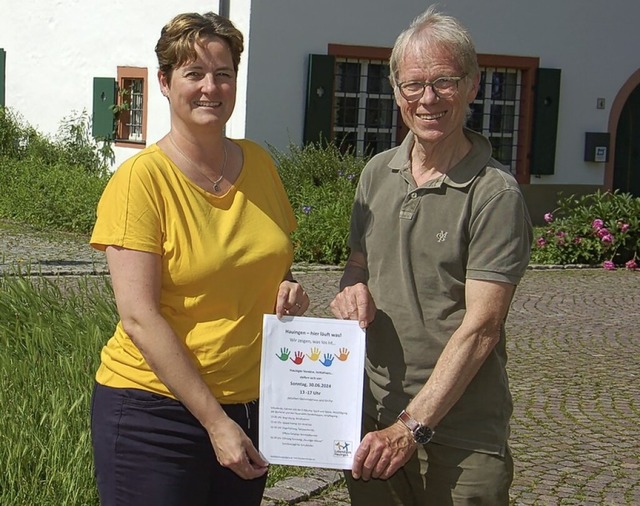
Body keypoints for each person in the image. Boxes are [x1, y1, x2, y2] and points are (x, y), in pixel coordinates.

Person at [89, 11, 309, 506]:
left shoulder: (260, 164)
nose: (211, 87)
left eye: (224, 73)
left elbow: (272, 259)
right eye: (194, 73)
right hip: (153, 412)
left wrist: (288, 287)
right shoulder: (141, 181)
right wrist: (215, 422)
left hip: (246, 405)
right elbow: (139, 316)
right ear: (165, 83)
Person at [330, 6, 532, 505]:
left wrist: (410, 428)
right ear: (396, 92)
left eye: (444, 81)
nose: (428, 98)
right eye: (413, 84)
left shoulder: (494, 195)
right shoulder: (376, 172)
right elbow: (359, 263)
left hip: (461, 433)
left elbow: (482, 327)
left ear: (473, 86)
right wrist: (350, 288)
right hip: (374, 417)